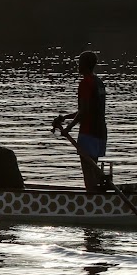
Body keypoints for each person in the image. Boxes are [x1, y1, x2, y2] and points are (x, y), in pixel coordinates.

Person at [53, 50, 107, 191]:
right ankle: (98, 198)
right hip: (100, 132)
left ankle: (93, 202)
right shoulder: (98, 82)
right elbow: (88, 109)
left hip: (88, 133)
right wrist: (65, 118)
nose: (77, 66)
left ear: (84, 65)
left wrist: (68, 128)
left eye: (79, 63)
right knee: (93, 169)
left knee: (88, 174)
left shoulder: (86, 83)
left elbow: (84, 111)